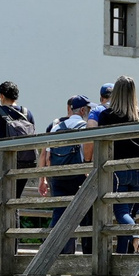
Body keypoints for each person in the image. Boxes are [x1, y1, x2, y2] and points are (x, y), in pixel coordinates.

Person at [96, 76, 139, 253]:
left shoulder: (106, 116)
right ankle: (123, 256)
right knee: (130, 213)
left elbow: (101, 143)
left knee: (121, 213)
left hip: (117, 169)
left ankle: (137, 240)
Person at [0, 81, 35, 255]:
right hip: (24, 164)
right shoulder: (27, 113)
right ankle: (11, 251)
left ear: (1, 96)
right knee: (13, 205)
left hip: (0, 164)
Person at [44, 94, 93, 252]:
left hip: (58, 176)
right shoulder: (85, 127)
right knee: (84, 214)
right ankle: (87, 253)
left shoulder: (57, 127)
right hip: (78, 176)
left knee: (60, 213)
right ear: (83, 110)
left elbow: (48, 154)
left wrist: (48, 175)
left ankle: (52, 250)